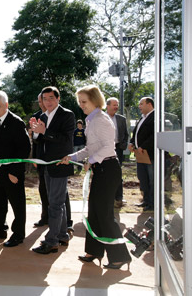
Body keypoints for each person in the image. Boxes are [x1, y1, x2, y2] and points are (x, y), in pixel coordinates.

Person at [58, 85, 132, 269]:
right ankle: (94, 251)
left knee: (104, 214)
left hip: (108, 169)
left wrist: (90, 160)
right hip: (101, 170)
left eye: (84, 102)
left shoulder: (101, 120)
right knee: (94, 212)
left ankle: (120, 255)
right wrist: (72, 157)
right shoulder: (92, 120)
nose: (81, 105)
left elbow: (108, 147)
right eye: (79, 102)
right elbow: (90, 148)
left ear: (95, 100)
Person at [0, 91, 31, 247]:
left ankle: (18, 234)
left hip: (12, 172)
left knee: (17, 203)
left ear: (6, 105)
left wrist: (14, 172)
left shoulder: (16, 122)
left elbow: (24, 149)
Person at [30, 86, 75, 255]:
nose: (47, 102)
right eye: (45, 99)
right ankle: (62, 235)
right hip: (46, 165)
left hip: (60, 165)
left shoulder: (67, 115)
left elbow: (66, 140)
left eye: (51, 98)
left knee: (55, 204)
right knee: (56, 202)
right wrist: (35, 133)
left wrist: (45, 131)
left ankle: (52, 241)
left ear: (58, 99)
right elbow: (40, 141)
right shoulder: (42, 116)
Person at [129, 97, 155, 211]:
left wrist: (143, 146)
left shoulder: (155, 117)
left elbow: (154, 135)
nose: (139, 106)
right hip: (140, 155)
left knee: (152, 179)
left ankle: (152, 203)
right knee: (143, 178)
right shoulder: (142, 118)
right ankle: (145, 200)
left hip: (150, 155)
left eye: (141, 104)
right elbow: (136, 134)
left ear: (149, 105)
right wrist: (131, 143)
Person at [106, 97, 129, 208]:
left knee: (117, 173)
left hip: (117, 148)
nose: (116, 107)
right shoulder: (101, 118)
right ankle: (107, 198)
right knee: (105, 173)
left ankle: (118, 198)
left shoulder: (121, 119)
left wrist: (122, 145)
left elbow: (126, 134)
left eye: (117, 105)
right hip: (104, 149)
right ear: (107, 106)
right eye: (114, 105)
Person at [30, 93, 49, 227]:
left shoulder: (59, 115)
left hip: (56, 160)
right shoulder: (36, 117)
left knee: (61, 193)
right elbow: (35, 141)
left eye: (44, 100)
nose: (42, 103)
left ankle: (67, 222)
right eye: (40, 101)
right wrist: (35, 158)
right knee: (43, 188)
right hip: (41, 160)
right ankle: (45, 216)